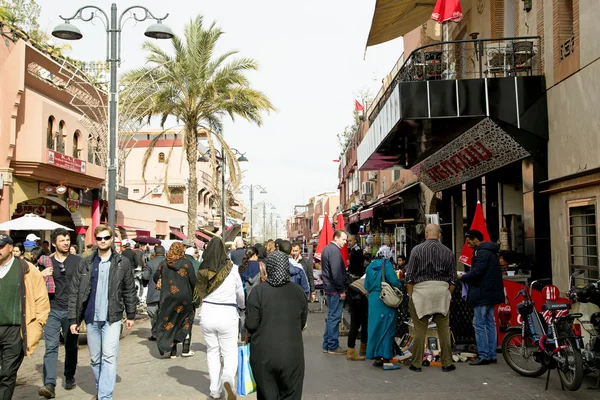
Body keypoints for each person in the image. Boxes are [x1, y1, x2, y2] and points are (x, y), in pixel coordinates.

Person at [68, 225, 136, 400]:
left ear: (111, 239)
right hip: (91, 317)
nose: (103, 241)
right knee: (95, 359)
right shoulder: (85, 264)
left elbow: (129, 290)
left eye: (106, 237)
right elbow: (75, 291)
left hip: (112, 317)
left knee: (109, 357)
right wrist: (73, 319)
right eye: (99, 238)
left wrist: (131, 314)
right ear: (95, 240)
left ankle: (105, 396)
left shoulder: (122, 262)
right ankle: (101, 390)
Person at [246, 251, 308, 400]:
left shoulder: (258, 292)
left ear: (269, 267)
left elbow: (251, 324)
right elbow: (302, 323)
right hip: (292, 355)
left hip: (263, 356)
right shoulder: (298, 292)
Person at [0, 233, 50, 400]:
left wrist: (38, 324)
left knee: (7, 372)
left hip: (15, 330)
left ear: (10, 247)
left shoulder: (26, 269)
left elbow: (41, 299)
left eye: (1, 246)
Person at [195, 237, 245, 400]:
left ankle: (214, 390)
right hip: (227, 314)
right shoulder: (232, 269)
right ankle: (228, 380)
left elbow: (199, 293)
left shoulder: (203, 270)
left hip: (207, 313)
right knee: (229, 352)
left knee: (212, 352)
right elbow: (240, 293)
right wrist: (242, 306)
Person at [404, 224, 457, 373]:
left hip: (421, 292)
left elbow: (409, 277)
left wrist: (410, 295)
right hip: (441, 291)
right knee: (444, 329)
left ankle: (416, 363)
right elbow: (453, 279)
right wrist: (448, 294)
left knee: (420, 329)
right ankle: (447, 363)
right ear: (438, 235)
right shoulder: (448, 252)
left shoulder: (417, 250)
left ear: (426, 233)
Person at [39, 228, 82, 398]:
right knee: (50, 347)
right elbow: (33, 282)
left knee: (71, 346)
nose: (66, 243)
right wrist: (41, 274)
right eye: (62, 240)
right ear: (54, 243)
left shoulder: (78, 261)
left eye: (67, 240)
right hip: (52, 310)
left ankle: (69, 375)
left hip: (71, 311)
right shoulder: (46, 262)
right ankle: (49, 383)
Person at [460, 229, 505, 365]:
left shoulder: (482, 253)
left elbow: (477, 272)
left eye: (469, 242)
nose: (468, 246)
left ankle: (484, 355)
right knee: (490, 323)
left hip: (482, 294)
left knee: (479, 323)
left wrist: (462, 277)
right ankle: (491, 354)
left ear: (475, 239)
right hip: (491, 293)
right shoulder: (490, 251)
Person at [153, 242, 197, 358]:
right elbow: (193, 281)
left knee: (170, 322)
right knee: (186, 321)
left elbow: (155, 277)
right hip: (185, 298)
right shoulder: (187, 263)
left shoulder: (163, 264)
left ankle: (172, 351)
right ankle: (185, 349)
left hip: (167, 298)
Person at [364, 246, 402, 366]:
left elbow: (366, 285)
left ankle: (376, 356)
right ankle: (385, 356)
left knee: (375, 327)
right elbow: (394, 281)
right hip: (385, 298)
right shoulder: (387, 264)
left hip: (373, 299)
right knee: (387, 326)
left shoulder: (370, 266)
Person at [321, 230, 348, 355]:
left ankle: (327, 344)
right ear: (336, 238)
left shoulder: (327, 249)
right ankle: (332, 345)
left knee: (331, 316)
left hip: (329, 287)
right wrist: (341, 289)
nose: (345, 242)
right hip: (334, 289)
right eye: (343, 239)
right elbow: (336, 272)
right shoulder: (334, 251)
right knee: (335, 317)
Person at [143, 245, 166, 341]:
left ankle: (155, 334)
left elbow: (145, 277)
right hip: (166, 294)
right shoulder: (169, 263)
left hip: (153, 293)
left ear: (155, 253)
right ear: (164, 253)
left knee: (153, 316)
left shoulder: (150, 263)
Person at [346, 275, 368, 361]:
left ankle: (357, 349)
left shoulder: (371, 267)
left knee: (358, 322)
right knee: (360, 323)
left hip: (352, 290)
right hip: (360, 294)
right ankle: (354, 351)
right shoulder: (383, 269)